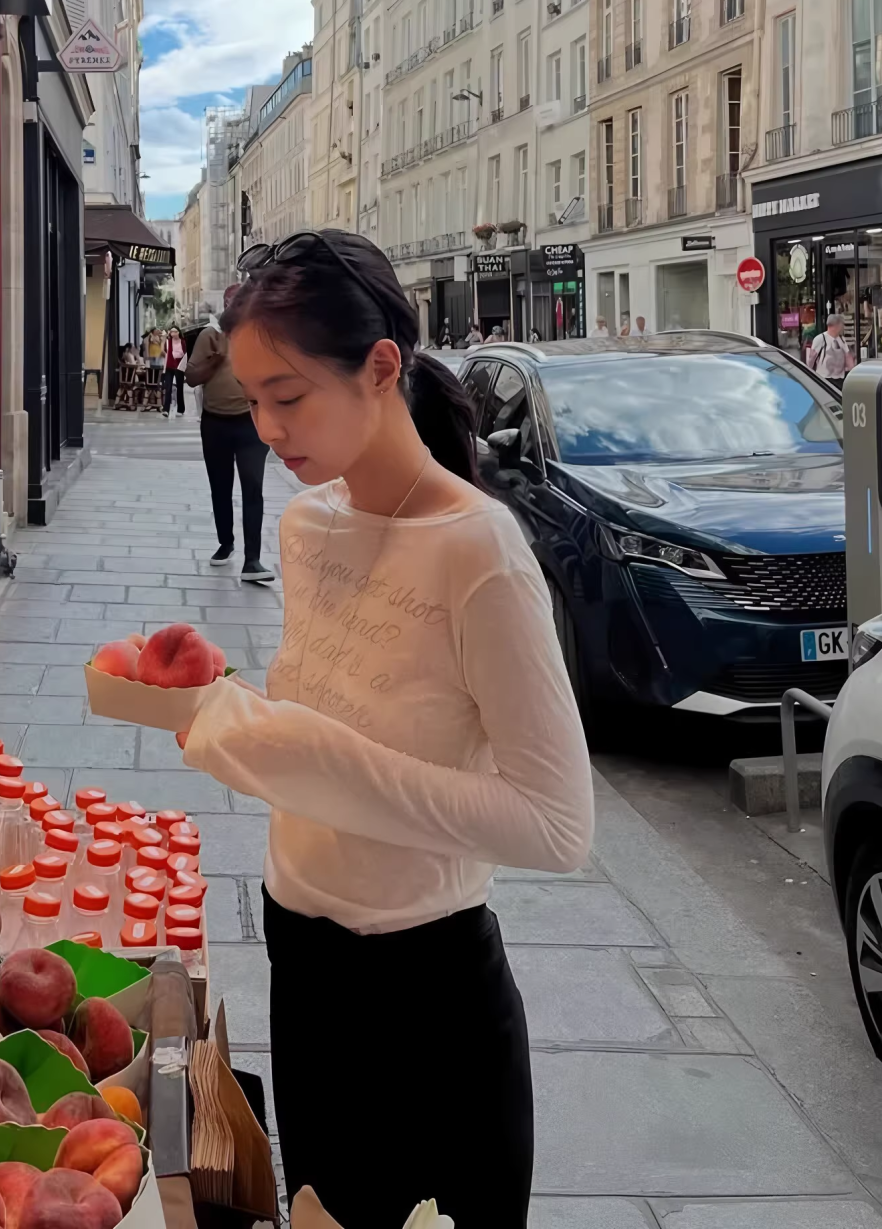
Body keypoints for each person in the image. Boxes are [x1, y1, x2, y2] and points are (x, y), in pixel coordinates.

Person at [176, 230, 593, 1227]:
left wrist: (318, 761)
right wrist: (221, 712)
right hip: (300, 956)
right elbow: (326, 716)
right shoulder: (307, 526)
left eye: (286, 396)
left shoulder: (476, 552)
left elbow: (555, 824)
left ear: (378, 369)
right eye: (250, 399)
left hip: (427, 990)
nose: (265, 428)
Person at [186, 291, 275, 581]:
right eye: (233, 303)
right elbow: (191, 377)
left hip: (251, 424)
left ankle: (253, 560)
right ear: (225, 306)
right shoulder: (210, 336)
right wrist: (215, 361)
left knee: (253, 489)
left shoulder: (261, 335)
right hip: (215, 423)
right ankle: (226, 543)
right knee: (220, 488)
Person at [807, 313, 853, 380]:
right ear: (836, 326)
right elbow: (811, 358)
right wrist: (809, 374)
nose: (842, 327)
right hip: (824, 378)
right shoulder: (820, 339)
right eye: (841, 325)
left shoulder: (842, 339)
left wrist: (852, 371)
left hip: (840, 378)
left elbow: (848, 356)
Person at [162, 326, 186, 417]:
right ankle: (166, 410)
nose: (173, 333)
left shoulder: (183, 342)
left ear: (178, 332)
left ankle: (180, 409)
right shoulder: (168, 342)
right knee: (168, 388)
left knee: (180, 388)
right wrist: (163, 339)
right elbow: (163, 352)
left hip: (179, 367)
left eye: (175, 331)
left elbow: (185, 354)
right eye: (171, 332)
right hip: (169, 366)